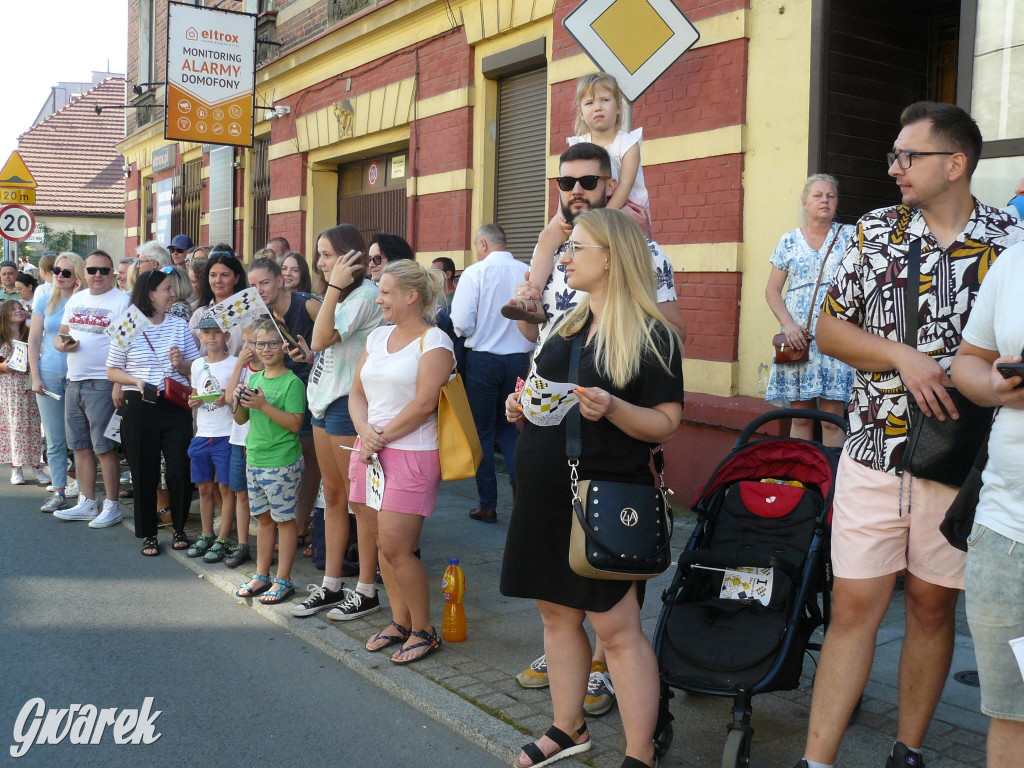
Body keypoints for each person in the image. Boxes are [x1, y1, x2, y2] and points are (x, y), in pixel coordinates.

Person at [794, 102, 1024, 768]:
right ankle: (817, 761)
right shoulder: (874, 231)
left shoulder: (1008, 241)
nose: (893, 167)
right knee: (853, 605)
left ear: (955, 164)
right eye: (893, 155)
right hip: (872, 448)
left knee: (930, 608)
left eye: (908, 156)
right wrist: (902, 355)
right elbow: (829, 329)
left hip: (959, 462)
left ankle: (909, 751)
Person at [501, 208, 683, 768]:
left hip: (605, 496)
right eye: (566, 247)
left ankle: (640, 753)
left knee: (618, 629)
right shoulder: (566, 323)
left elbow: (667, 422)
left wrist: (616, 408)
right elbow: (543, 390)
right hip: (542, 489)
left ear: (612, 256)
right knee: (555, 613)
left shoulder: (654, 335)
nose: (565, 257)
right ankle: (568, 726)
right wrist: (521, 406)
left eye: (576, 248)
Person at [349, 260, 454, 663]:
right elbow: (356, 392)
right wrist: (365, 431)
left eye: (386, 291)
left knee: (396, 547)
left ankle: (425, 629)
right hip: (370, 450)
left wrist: (379, 437)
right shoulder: (377, 337)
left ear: (411, 296)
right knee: (378, 543)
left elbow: (426, 403)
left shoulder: (435, 342)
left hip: (411, 454)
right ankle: (400, 621)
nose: (380, 298)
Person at [949, 242, 1024, 767]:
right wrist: (997, 387)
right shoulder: (1015, 262)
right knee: (1012, 714)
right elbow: (969, 363)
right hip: (1006, 532)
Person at [504, 74, 652, 324]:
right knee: (547, 236)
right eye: (590, 103)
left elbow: (625, 184)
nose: (598, 108)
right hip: (583, 206)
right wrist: (565, 219)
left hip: (622, 206)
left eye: (605, 100)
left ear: (618, 107)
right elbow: (572, 183)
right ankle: (532, 295)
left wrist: (598, 220)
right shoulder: (578, 143)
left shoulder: (627, 142)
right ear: (581, 113)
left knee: (623, 247)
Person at [293, 226, 383, 619]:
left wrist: (331, 287)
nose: (320, 262)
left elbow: (321, 337)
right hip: (323, 399)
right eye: (319, 254)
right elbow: (320, 345)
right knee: (332, 498)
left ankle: (366, 588)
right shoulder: (346, 295)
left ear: (349, 258)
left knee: (358, 502)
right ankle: (331, 585)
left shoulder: (363, 295)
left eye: (328, 254)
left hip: (348, 403)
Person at [106, 269, 200, 552]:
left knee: (179, 469)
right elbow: (112, 370)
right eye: (167, 289)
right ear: (150, 294)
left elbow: (195, 369)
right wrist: (134, 381)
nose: (173, 293)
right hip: (140, 404)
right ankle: (148, 533)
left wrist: (180, 363)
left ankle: (180, 527)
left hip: (175, 404)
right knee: (142, 471)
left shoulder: (179, 325)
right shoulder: (126, 324)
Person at [450, 224, 535, 523]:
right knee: (512, 428)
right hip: (519, 361)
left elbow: (460, 322)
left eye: (476, 245)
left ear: (483, 244)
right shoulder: (527, 271)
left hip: (483, 361)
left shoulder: (475, 273)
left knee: (482, 432)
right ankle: (523, 499)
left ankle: (488, 504)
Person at [763, 174, 855, 445]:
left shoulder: (850, 236)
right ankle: (801, 482)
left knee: (832, 418)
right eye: (818, 195)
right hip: (798, 338)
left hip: (836, 337)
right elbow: (771, 291)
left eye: (830, 196)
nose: (825, 200)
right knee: (800, 417)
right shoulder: (788, 241)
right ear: (805, 202)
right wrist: (788, 326)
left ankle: (832, 484)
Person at [52, 250, 130, 527]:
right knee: (80, 446)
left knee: (104, 447)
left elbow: (129, 346)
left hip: (104, 381)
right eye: (93, 270)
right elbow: (61, 335)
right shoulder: (76, 298)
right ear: (84, 273)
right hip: (75, 378)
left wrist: (119, 383)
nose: (98, 275)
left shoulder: (124, 301)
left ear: (113, 274)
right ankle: (86, 502)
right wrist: (63, 344)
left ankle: (112, 505)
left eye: (104, 270)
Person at [233, 317, 306, 605]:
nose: (265, 349)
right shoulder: (253, 378)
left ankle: (284, 579)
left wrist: (264, 404)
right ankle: (261, 574)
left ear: (283, 346)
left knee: (285, 521)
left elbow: (296, 424)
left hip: (282, 462)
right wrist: (239, 400)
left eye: (272, 343)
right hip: (255, 458)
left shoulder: (292, 383)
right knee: (263, 520)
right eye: (260, 344)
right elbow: (240, 419)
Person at [29, 252, 85, 511]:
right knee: (54, 438)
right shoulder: (44, 300)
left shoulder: (84, 301)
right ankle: (59, 491)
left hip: (79, 375)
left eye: (66, 272)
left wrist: (80, 295)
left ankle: (85, 493)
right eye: (56, 271)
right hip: (49, 373)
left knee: (82, 438)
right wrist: (36, 375)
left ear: (77, 276)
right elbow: (34, 340)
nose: (59, 276)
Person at [185, 315, 237, 561]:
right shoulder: (197, 365)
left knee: (226, 488)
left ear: (227, 336)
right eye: (207, 333)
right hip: (203, 433)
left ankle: (224, 537)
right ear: (200, 337)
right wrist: (193, 401)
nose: (212, 337)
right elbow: (195, 395)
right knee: (204, 486)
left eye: (217, 332)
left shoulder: (235, 364)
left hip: (227, 433)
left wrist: (227, 396)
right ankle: (207, 534)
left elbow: (238, 395)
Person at [221, 325, 262, 568]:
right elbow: (228, 398)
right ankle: (243, 544)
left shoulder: (268, 371)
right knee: (241, 493)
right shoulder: (243, 370)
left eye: (253, 342)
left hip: (260, 441)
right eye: (245, 342)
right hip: (239, 439)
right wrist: (238, 365)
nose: (247, 348)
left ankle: (271, 540)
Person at [0, 299, 47, 486]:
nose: (19, 311)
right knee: (13, 426)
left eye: (20, 308)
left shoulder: (30, 333)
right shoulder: (1, 337)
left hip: (30, 384)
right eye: (14, 310)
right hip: (9, 388)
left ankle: (37, 466)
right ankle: (16, 467)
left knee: (34, 426)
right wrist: (3, 366)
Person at [189, 248, 248, 356]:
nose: (218, 280)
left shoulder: (250, 311)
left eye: (225, 275)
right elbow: (190, 356)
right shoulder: (200, 314)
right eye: (213, 275)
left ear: (236, 278)